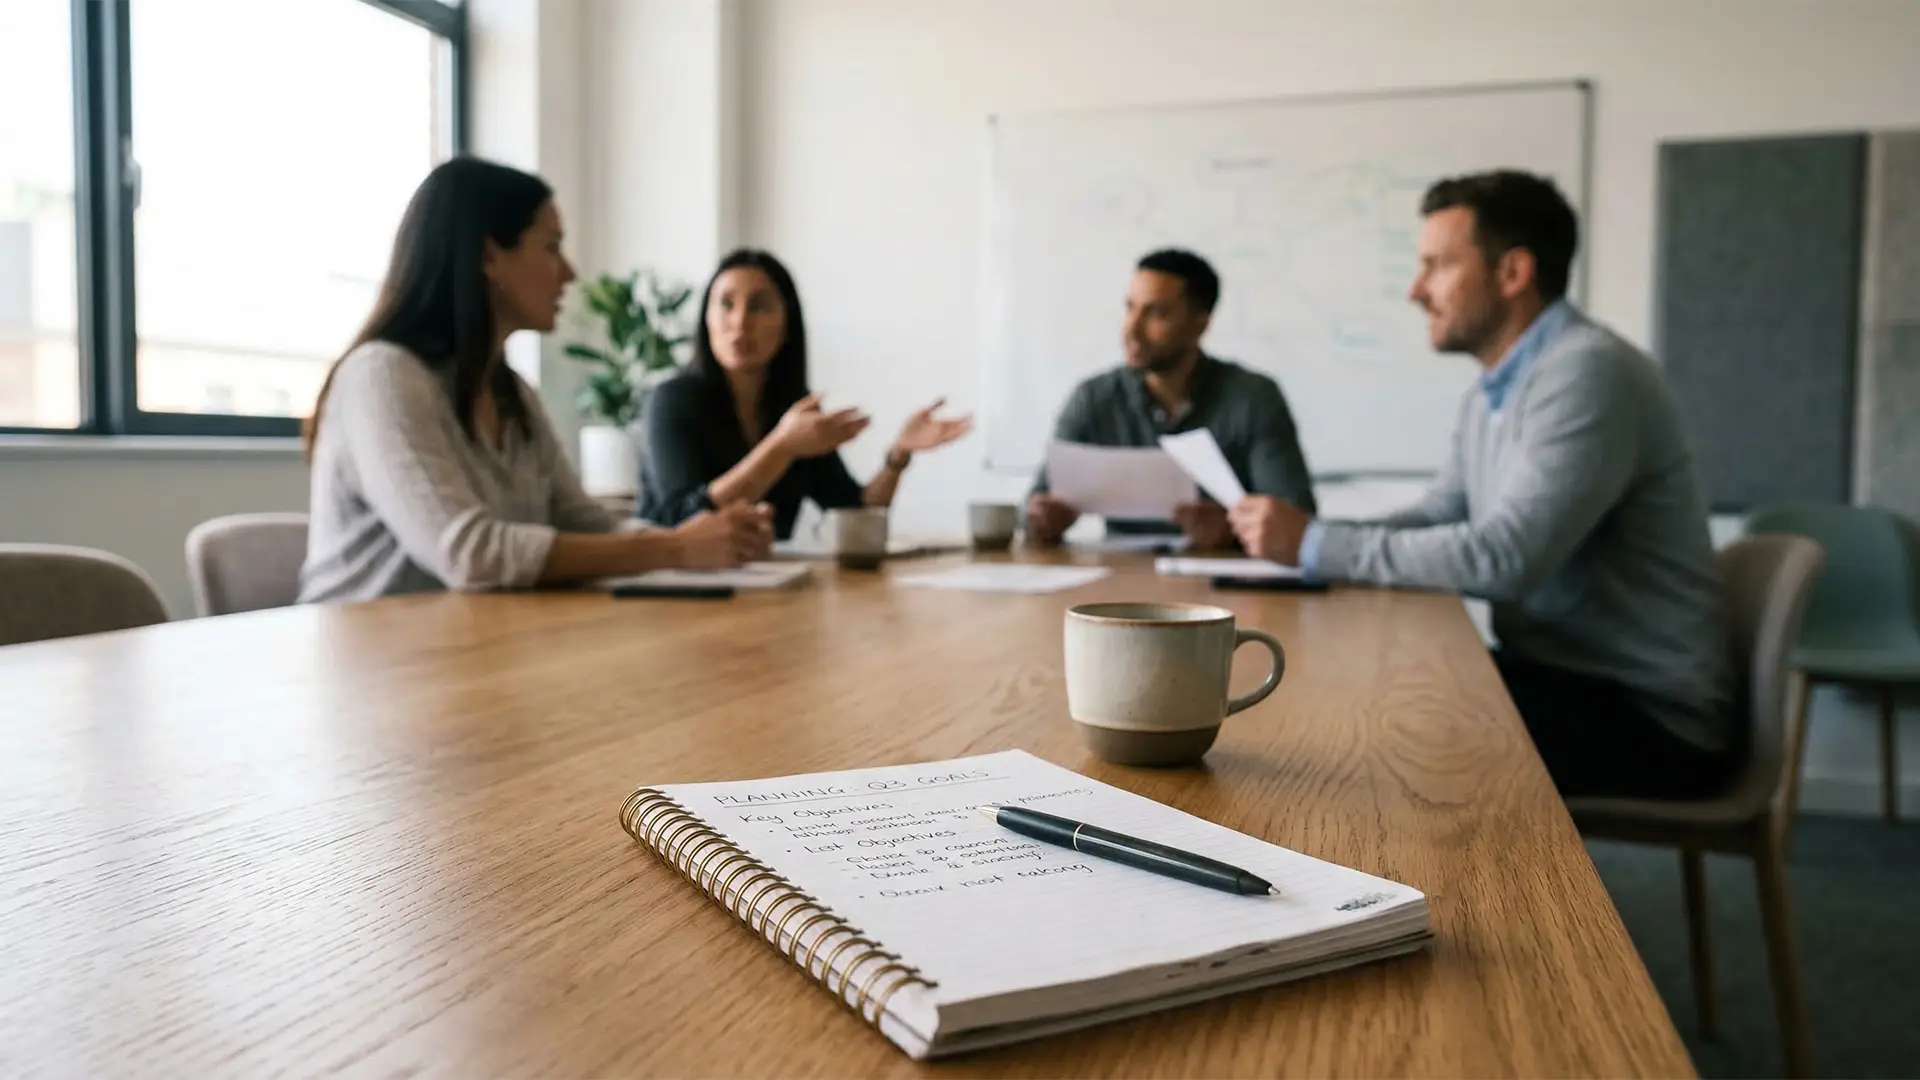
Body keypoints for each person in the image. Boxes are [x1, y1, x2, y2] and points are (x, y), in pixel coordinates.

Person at [1228, 169, 1732, 800]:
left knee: (1372, 733)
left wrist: (1314, 546)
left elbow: (1505, 558)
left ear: (1513, 273)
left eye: (1437, 265)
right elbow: (1443, 513)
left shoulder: (1587, 375)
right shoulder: (1494, 388)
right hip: (1559, 678)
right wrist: (1310, 540)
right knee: (1373, 698)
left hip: (1647, 714)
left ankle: (1463, 900)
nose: (1416, 290)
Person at [299, 157, 772, 603]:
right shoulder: (382, 376)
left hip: (469, 655)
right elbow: (470, 554)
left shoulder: (514, 395)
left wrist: (702, 540)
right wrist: (675, 549)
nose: (569, 273)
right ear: (488, 255)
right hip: (362, 671)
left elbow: (584, 524)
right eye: (551, 246)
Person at [639, 249, 973, 540]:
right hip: (670, 590)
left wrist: (898, 455)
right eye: (726, 304)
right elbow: (681, 519)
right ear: (706, 320)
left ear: (787, 327)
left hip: (758, 589)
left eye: (759, 307)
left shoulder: (791, 408)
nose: (739, 322)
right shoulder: (671, 401)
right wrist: (782, 447)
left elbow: (857, 509)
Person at [1025, 249, 1315, 550]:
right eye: (1130, 308)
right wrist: (1042, 520)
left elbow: (1298, 519)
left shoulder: (1254, 398)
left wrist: (1232, 529)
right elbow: (1031, 511)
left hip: (1223, 579)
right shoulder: (1093, 398)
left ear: (1200, 324)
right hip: (1119, 577)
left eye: (1156, 313)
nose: (1131, 329)